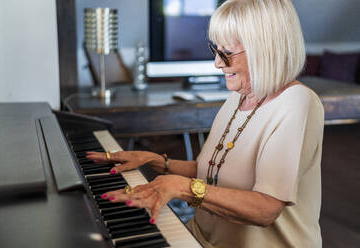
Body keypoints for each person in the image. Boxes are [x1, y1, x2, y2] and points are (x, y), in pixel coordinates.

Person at [86, 0, 324, 247]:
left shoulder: (297, 102)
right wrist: (155, 160)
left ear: (266, 49)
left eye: (227, 53)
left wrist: (183, 188)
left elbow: (265, 209)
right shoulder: (236, 98)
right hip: (199, 237)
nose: (218, 63)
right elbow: (210, 172)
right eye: (216, 50)